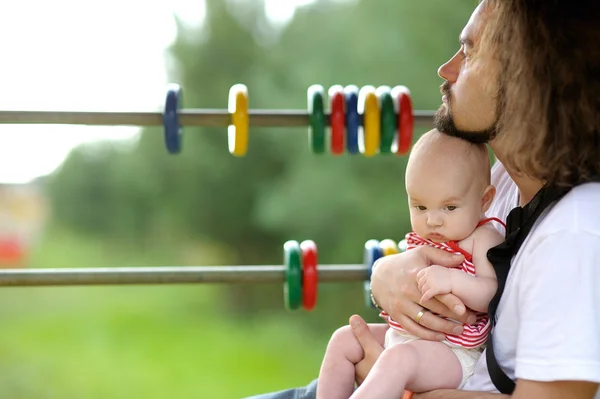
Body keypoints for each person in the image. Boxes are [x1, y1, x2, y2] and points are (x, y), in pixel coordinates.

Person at [245, 1, 600, 398]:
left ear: (526, 75)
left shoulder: (574, 231)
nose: (447, 69)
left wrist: (402, 381)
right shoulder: (502, 181)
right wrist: (386, 277)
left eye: (468, 53)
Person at [316, 129, 505, 399]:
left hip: (453, 353)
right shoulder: (429, 236)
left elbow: (491, 294)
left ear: (484, 199)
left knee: (398, 360)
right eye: (420, 207)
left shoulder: (483, 237)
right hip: (405, 337)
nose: (433, 221)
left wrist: (452, 281)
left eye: (449, 208)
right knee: (343, 338)